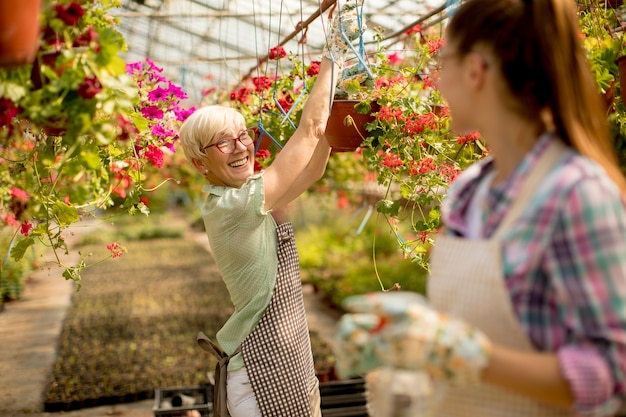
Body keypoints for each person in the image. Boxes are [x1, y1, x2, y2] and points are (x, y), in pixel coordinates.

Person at [334, 0, 626, 416]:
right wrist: (416, 334)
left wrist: (473, 357)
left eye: (443, 63)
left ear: (475, 71)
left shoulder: (576, 193)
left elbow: (611, 372)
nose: (436, 83)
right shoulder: (469, 191)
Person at [177, 3, 364, 416]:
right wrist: (334, 55)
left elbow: (311, 171)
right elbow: (310, 129)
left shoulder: (245, 196)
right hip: (260, 373)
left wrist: (336, 123)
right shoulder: (233, 205)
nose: (241, 147)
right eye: (222, 143)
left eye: (242, 135)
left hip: (290, 357)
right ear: (200, 163)